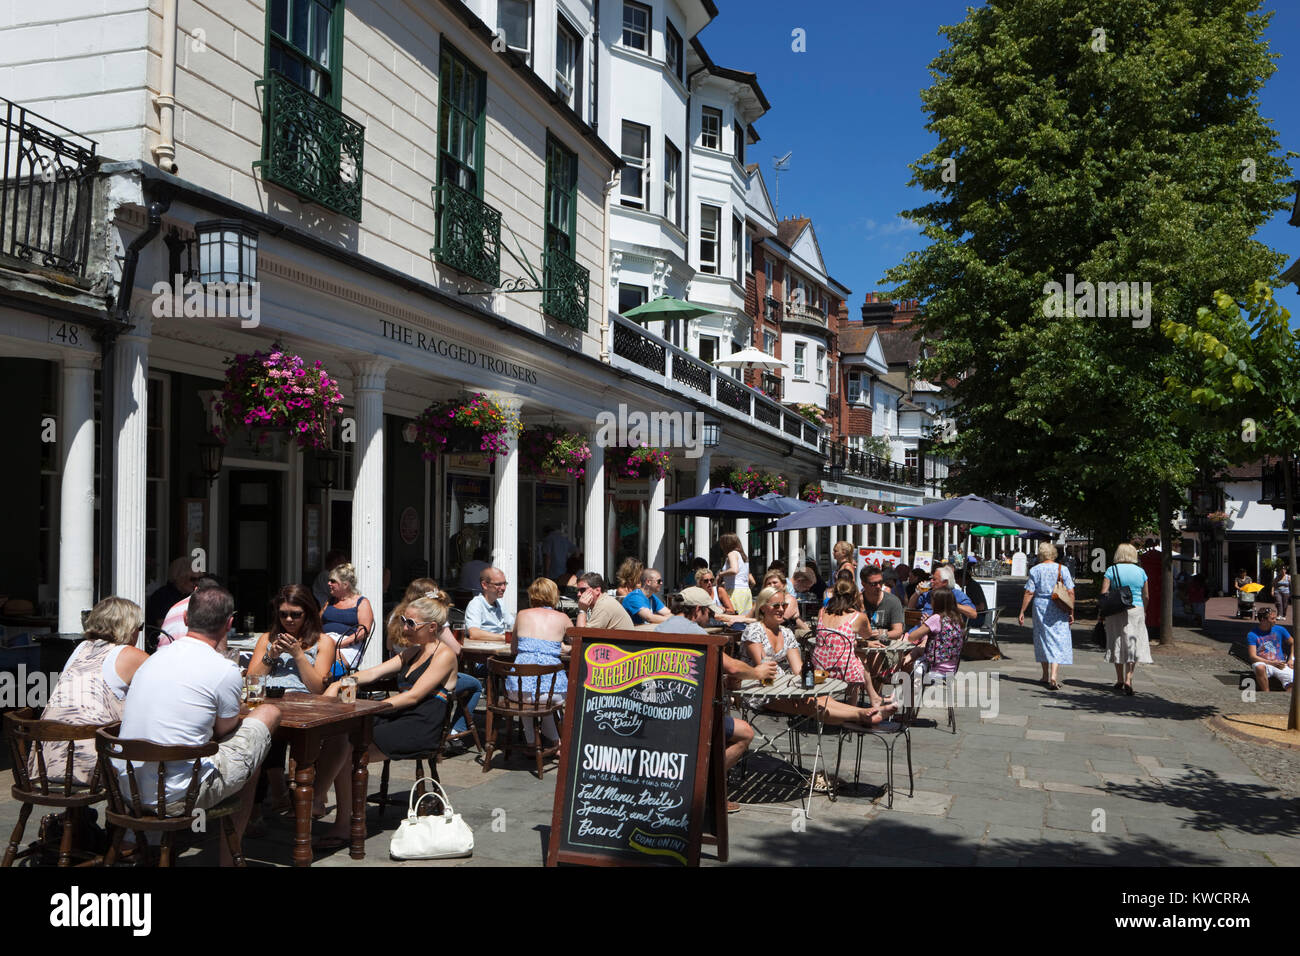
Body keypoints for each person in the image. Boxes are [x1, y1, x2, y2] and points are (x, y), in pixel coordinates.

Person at [116, 586, 282, 866]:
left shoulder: (152, 660)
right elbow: (225, 732)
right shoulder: (223, 669)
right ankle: (228, 859)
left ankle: (143, 839)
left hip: (126, 786)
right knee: (267, 716)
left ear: (185, 619)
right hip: (177, 794)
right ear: (229, 623)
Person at [315, 594, 459, 849]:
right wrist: (340, 682)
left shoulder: (444, 655)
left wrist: (369, 707)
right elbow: (374, 672)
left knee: (349, 745)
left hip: (421, 725)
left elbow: (414, 696)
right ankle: (331, 809)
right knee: (343, 734)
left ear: (432, 628)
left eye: (410, 623)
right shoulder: (413, 652)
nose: (404, 627)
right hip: (399, 717)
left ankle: (326, 805)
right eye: (403, 620)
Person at [658, 587, 775, 811]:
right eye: (708, 614)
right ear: (698, 610)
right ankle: (705, 785)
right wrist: (758, 673)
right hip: (688, 715)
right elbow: (730, 665)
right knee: (744, 733)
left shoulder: (663, 627)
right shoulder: (694, 632)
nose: (709, 618)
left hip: (663, 709)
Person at [740, 587, 896, 727]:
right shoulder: (754, 630)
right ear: (762, 608)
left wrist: (801, 687)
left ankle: (865, 712)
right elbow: (764, 673)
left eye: (784, 605)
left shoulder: (786, 633)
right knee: (809, 705)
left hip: (784, 685)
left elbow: (798, 669)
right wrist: (788, 691)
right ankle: (862, 715)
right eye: (776, 606)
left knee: (821, 698)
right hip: (760, 691)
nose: (781, 609)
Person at [35, 597, 149, 785]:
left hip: (48, 763)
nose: (138, 632)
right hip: (92, 768)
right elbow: (164, 685)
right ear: (128, 627)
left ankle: (78, 815)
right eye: (139, 626)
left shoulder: (81, 648)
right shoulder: (129, 654)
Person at [508, 578, 570, 748]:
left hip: (519, 690)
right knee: (543, 700)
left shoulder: (522, 614)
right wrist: (559, 647)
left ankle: (532, 741)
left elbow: (514, 649)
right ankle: (556, 743)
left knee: (527, 700)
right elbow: (577, 643)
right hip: (553, 692)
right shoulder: (563, 617)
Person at [246, 585, 336, 695]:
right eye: (283, 614)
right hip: (268, 697)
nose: (288, 619)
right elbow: (251, 683)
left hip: (301, 700)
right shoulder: (266, 639)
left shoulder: (323, 642)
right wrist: (270, 656)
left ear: (307, 614)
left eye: (295, 614)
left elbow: (318, 689)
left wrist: (298, 655)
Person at [1018, 541, 1075, 689]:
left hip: (1041, 606)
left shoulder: (1035, 570)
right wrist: (1071, 611)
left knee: (1042, 638)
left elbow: (1029, 592)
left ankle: (1044, 675)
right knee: (1058, 639)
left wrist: (1022, 611)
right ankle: (1054, 676)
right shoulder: (1063, 569)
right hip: (1059, 606)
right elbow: (1070, 592)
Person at [899, 587, 967, 705]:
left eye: (932, 601)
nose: (930, 604)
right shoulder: (958, 619)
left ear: (937, 602)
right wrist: (928, 625)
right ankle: (903, 702)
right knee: (918, 650)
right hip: (951, 669)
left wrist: (925, 624)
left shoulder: (936, 618)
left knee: (906, 672)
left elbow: (912, 637)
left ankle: (903, 705)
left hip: (935, 669)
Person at [1099, 543, 1151, 696]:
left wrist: (1102, 612)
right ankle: (1129, 678)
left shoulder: (1111, 570)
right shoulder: (1141, 572)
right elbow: (1146, 595)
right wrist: (1144, 610)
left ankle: (1120, 679)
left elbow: (1104, 593)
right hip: (1136, 609)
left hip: (1116, 610)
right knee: (1132, 643)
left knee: (1117, 641)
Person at [813, 578, 871, 704]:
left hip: (819, 669)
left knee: (851, 657)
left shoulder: (822, 612)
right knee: (860, 661)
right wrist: (862, 607)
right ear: (855, 595)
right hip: (843, 672)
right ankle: (852, 708)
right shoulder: (858, 617)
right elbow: (867, 635)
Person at [322, 563, 375, 671]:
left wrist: (339, 643)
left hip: (349, 646)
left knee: (324, 654)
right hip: (326, 641)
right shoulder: (330, 601)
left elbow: (363, 631)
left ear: (345, 585)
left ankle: (330, 680)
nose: (329, 583)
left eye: (333, 581)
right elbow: (316, 622)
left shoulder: (362, 602)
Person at [159, 574, 222, 646]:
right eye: (192, 579)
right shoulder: (205, 608)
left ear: (196, 589)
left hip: (164, 651)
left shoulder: (177, 606)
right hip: (182, 651)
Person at [1246, 606, 1294, 692]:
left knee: (1293, 680)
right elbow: (1253, 656)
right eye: (1272, 618)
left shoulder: (1280, 629)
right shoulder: (1252, 634)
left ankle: (1288, 699)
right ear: (1263, 620)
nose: (1275, 620)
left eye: (1275, 618)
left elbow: (1293, 643)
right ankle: (1267, 694)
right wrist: (1272, 663)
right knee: (1259, 667)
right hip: (1264, 662)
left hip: (1280, 663)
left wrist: (1291, 658)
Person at [145, 557, 197, 629]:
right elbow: (164, 626)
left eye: (198, 579)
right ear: (181, 577)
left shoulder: (191, 596)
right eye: (193, 579)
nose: (196, 583)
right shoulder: (163, 596)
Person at [909, 565, 978, 620]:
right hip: (922, 629)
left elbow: (973, 614)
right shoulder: (929, 593)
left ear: (945, 582)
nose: (931, 581)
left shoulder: (956, 594)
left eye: (934, 579)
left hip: (941, 633)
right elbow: (910, 607)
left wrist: (950, 603)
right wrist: (917, 592)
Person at [465, 566, 514, 641]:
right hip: (484, 649)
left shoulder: (500, 603)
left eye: (505, 583)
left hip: (501, 647)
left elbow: (512, 624)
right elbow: (474, 633)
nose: (503, 588)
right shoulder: (476, 604)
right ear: (484, 585)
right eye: (498, 584)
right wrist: (504, 638)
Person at [718, 533, 753, 615]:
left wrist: (721, 574)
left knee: (734, 619)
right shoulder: (743, 556)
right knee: (744, 619)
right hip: (746, 591)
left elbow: (734, 570)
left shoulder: (732, 554)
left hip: (735, 591)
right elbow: (750, 580)